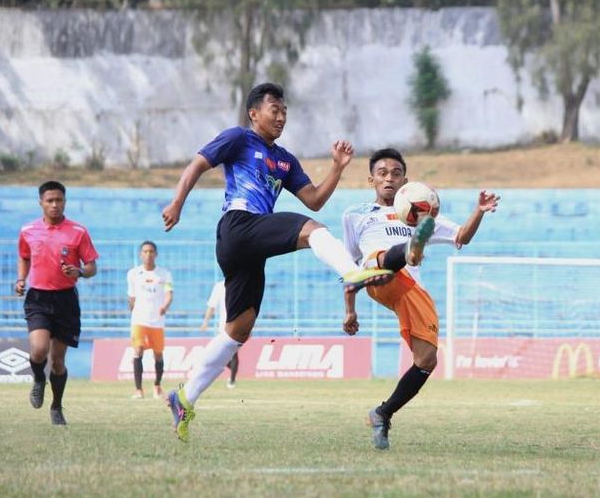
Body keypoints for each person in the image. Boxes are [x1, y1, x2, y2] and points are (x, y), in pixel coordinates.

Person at [161, 82, 391, 442]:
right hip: (238, 225)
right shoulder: (238, 138)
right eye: (274, 110)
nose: (281, 117)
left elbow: (313, 198)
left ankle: (184, 398)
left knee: (239, 329)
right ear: (254, 113)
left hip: (251, 246)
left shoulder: (284, 159)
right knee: (311, 229)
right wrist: (177, 203)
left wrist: (337, 168)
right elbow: (197, 165)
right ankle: (352, 272)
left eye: (284, 112)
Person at [341, 148, 498, 449]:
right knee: (383, 263)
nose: (389, 178)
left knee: (427, 360)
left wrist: (478, 210)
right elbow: (348, 268)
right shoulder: (356, 215)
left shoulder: (422, 213)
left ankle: (382, 413)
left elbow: (461, 237)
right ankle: (412, 249)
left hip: (410, 289)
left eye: (396, 173)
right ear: (371, 179)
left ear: (406, 181)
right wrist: (350, 310)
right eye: (383, 173)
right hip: (377, 273)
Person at [15, 181, 99, 425]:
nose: (54, 205)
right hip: (38, 297)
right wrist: (21, 279)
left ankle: (56, 407)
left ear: (65, 201)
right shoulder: (28, 230)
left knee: (59, 360)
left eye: (59, 200)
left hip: (65, 300)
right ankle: (38, 379)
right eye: (50, 200)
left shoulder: (78, 231)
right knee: (39, 350)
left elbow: (92, 266)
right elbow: (24, 255)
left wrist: (80, 272)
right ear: (40, 202)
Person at [127, 241, 173, 399]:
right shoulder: (133, 274)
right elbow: (131, 297)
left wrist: (165, 306)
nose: (148, 254)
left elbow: (169, 293)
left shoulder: (164, 274)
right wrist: (133, 311)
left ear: (156, 254)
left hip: (157, 320)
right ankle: (138, 390)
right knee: (138, 350)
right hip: (139, 319)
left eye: (151, 251)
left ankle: (157, 385)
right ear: (140, 254)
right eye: (145, 251)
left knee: (158, 354)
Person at [199, 279, 238, 389]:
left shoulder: (239, 284)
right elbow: (212, 306)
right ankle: (233, 376)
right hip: (224, 326)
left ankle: (232, 380)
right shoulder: (219, 286)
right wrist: (205, 322)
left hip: (236, 324)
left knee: (234, 353)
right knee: (223, 355)